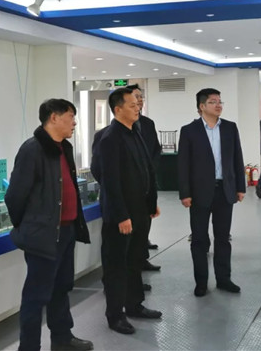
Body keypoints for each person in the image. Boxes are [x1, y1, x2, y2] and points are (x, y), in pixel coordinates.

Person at [5, 99, 93, 351]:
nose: (74, 122)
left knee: (61, 287)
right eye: (71, 116)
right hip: (42, 235)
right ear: (54, 117)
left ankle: (62, 337)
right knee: (36, 295)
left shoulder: (64, 148)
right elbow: (15, 196)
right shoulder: (32, 150)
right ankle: (29, 347)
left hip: (66, 231)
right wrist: (30, 226)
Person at [97, 88, 162, 335]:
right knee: (116, 265)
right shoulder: (110, 138)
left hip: (140, 209)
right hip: (121, 215)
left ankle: (135, 305)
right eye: (132, 105)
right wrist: (121, 215)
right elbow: (110, 181)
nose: (138, 108)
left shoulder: (136, 132)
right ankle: (115, 315)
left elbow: (147, 169)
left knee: (135, 260)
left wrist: (151, 202)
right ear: (118, 109)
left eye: (138, 104)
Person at [178, 88, 246, 297]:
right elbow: (183, 165)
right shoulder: (189, 131)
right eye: (213, 102)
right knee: (199, 239)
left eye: (220, 101)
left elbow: (237, 158)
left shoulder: (230, 128)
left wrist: (240, 187)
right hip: (199, 193)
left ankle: (224, 279)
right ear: (202, 106)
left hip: (225, 190)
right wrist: (185, 193)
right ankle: (201, 282)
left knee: (223, 238)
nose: (218, 105)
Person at [125, 84, 162, 272]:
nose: (139, 100)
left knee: (146, 222)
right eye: (136, 97)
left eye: (141, 97)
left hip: (148, 183)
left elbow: (155, 148)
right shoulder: (116, 131)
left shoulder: (148, 123)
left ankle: (143, 258)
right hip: (131, 185)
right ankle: (132, 265)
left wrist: (150, 168)